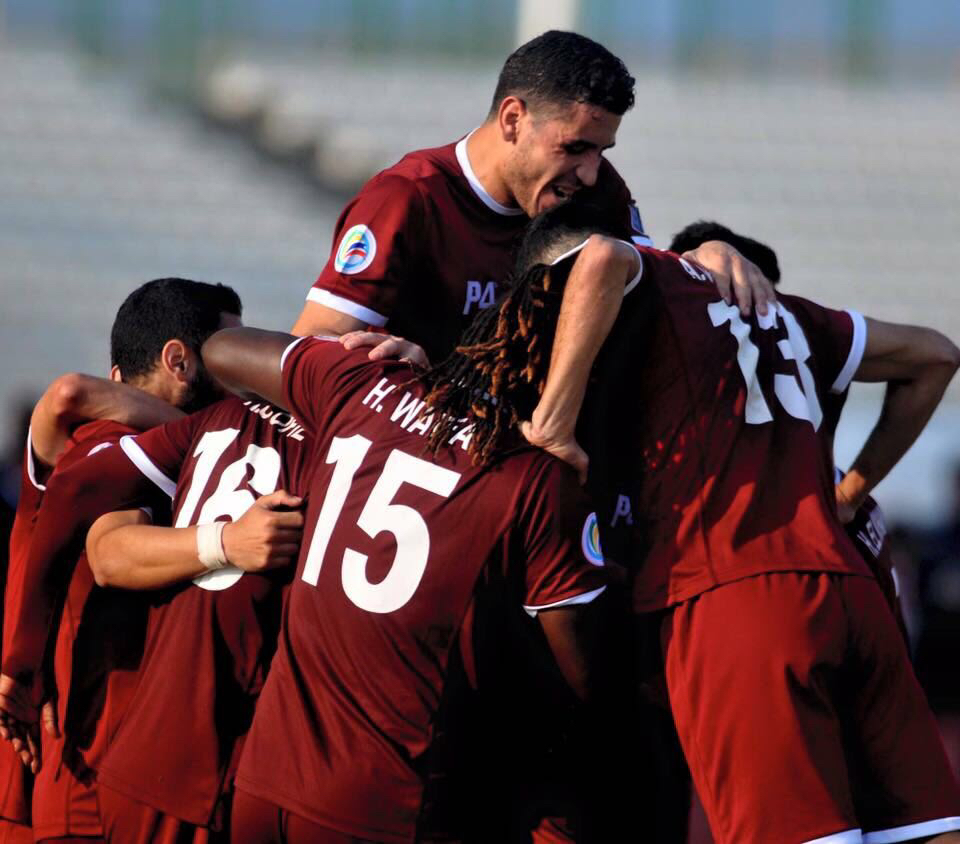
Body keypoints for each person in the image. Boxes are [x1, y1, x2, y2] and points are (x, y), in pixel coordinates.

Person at [426, 201, 960, 844]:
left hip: (734, 592)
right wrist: (849, 491)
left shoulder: (665, 285)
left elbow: (601, 257)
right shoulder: (790, 316)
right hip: (853, 587)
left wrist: (554, 423)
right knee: (927, 829)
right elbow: (936, 355)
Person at [160, 324, 612, 844]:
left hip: (266, 783)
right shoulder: (534, 477)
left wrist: (377, 356)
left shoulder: (362, 382)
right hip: (380, 807)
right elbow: (582, 680)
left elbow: (219, 348)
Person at [291, 30, 776, 358]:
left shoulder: (600, 190)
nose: (590, 172)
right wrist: (394, 370)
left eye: (602, 151)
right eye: (575, 148)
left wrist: (701, 256)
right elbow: (313, 338)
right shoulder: (407, 197)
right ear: (512, 119)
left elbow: (646, 295)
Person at [0, 277, 244, 843]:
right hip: (87, 782)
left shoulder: (131, 446)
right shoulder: (113, 448)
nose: (241, 384)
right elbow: (112, 553)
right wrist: (228, 542)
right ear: (178, 361)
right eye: (231, 357)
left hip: (86, 778)